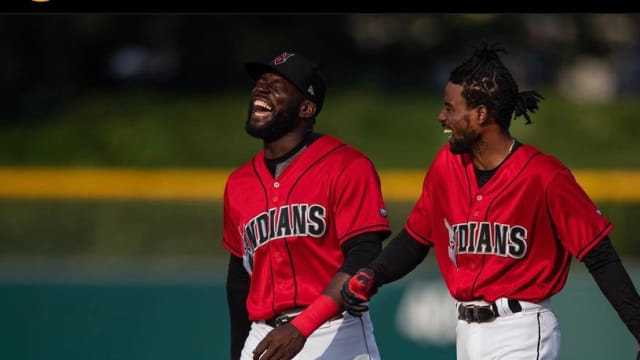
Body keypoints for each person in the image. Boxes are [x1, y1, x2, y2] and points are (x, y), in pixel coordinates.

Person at [341, 41, 640, 360]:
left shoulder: (544, 176)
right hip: (466, 334)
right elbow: (415, 240)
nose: (442, 117)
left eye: (451, 108)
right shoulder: (447, 166)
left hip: (521, 329)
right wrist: (373, 274)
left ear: (481, 114)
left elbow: (600, 256)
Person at [223, 50, 391, 360]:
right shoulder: (238, 183)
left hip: (333, 331)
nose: (261, 88)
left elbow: (364, 253)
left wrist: (303, 325)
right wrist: (237, 352)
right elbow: (239, 277)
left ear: (306, 107)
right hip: (262, 335)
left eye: (277, 84)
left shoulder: (347, 165)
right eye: (260, 82)